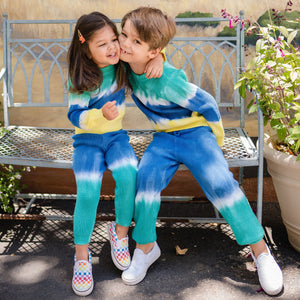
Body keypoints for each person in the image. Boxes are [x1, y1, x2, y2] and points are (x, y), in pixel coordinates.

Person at [118, 6, 284, 296]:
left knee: (220, 183)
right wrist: (155, 57)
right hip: (164, 139)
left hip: (196, 134)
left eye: (135, 42)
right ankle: (145, 247)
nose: (125, 44)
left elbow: (206, 103)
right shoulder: (126, 68)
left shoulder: (168, 79)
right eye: (124, 35)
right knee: (145, 179)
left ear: (154, 50)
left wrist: (215, 140)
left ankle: (260, 250)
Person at [67, 11, 163, 296]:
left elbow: (151, 47)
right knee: (88, 191)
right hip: (86, 141)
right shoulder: (82, 75)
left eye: (113, 39)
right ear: (85, 47)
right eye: (102, 44)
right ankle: (81, 257)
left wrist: (159, 58)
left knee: (129, 172)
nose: (112, 48)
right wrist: (98, 114)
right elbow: (74, 115)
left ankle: (119, 233)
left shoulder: (121, 65)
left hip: (116, 139)